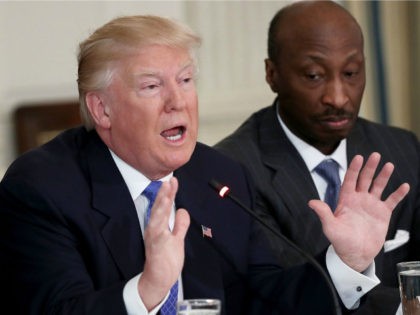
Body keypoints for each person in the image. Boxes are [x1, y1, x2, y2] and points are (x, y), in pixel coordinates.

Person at [0, 14, 409, 315]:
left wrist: (346, 262)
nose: (177, 101)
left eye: (185, 80)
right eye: (152, 86)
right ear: (101, 109)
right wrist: (147, 292)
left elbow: (266, 301)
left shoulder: (219, 177)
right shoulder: (42, 188)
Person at [215, 1, 420, 315]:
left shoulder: (402, 148)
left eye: (351, 73)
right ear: (272, 74)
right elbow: (274, 297)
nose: (338, 97)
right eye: (313, 76)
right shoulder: (234, 170)